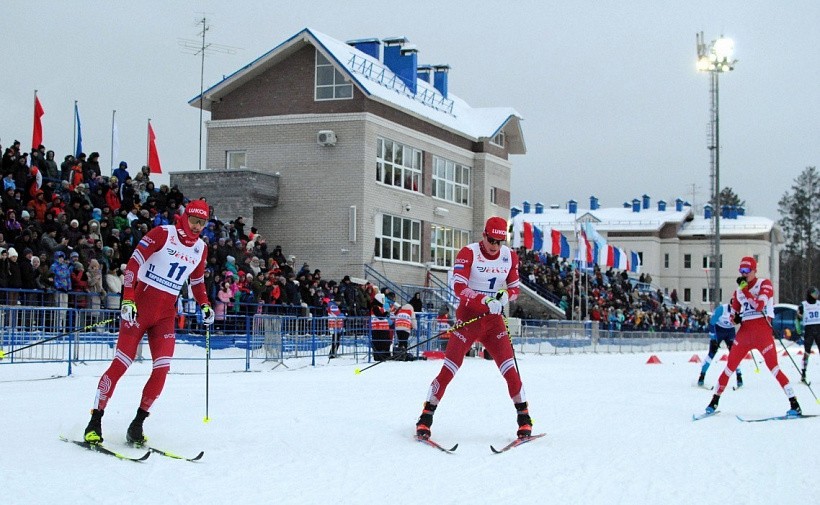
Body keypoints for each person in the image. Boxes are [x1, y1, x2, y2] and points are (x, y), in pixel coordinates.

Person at [83, 199, 215, 445]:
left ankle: (137, 424)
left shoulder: (200, 249)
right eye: (195, 221)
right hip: (140, 307)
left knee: (162, 368)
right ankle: (95, 421)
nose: (198, 227)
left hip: (165, 315)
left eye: (202, 223)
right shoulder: (163, 234)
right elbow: (134, 263)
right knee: (122, 363)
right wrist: (128, 299)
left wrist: (205, 304)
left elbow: (197, 283)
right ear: (185, 218)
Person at [415, 216, 533, 440]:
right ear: (484, 235)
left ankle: (524, 419)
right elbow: (459, 287)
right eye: (491, 241)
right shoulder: (469, 253)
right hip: (469, 320)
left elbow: (515, 288)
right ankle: (425, 417)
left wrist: (504, 296)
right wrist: (484, 301)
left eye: (500, 242)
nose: (495, 246)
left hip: (494, 322)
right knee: (450, 368)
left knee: (510, 370)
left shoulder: (510, 257)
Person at [704, 257, 801, 417]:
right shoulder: (738, 291)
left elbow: (759, 305)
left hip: (762, 331)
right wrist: (735, 318)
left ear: (754, 270)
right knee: (729, 367)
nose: (744, 274)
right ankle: (714, 401)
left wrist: (746, 291)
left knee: (774, 368)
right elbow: (734, 314)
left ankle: (794, 403)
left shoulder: (765, 284)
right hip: (745, 333)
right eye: (741, 271)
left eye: (747, 271)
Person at [697, 280, 744, 388]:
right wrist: (713, 338)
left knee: (734, 355)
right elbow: (712, 323)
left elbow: (743, 322)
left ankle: (739, 377)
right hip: (718, 331)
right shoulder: (721, 309)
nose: (734, 310)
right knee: (712, 354)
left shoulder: (739, 311)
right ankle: (702, 376)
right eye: (733, 307)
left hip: (730, 332)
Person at [798, 286, 820, 384]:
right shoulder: (803, 305)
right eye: (815, 293)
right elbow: (797, 319)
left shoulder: (819, 304)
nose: (817, 295)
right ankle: (803, 373)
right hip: (809, 330)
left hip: (818, 329)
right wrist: (798, 331)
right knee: (807, 352)